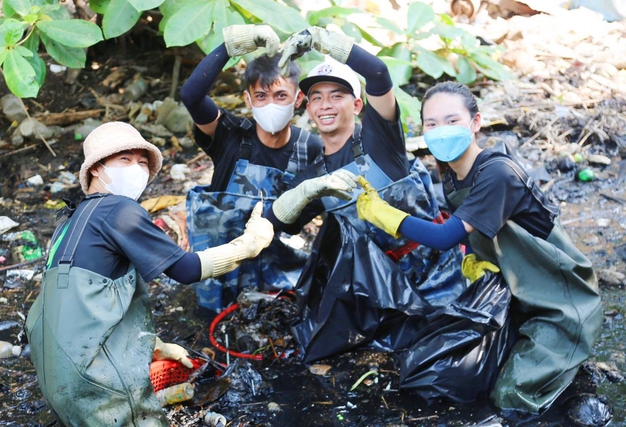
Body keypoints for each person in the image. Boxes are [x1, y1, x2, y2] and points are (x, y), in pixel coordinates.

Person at [356, 81, 603, 414]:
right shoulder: (454, 175)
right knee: (453, 377)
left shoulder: (497, 173)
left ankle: (571, 374)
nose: (441, 130)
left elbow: (444, 237)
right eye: (432, 124)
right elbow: (466, 233)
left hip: (562, 307)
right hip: (518, 302)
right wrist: (472, 259)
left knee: (511, 400)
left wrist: (383, 214)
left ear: (476, 123)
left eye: (452, 120)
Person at [24, 122, 274, 426]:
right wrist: (248, 245)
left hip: (57, 379)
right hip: (95, 382)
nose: (136, 168)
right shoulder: (117, 209)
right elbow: (185, 269)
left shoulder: (69, 223)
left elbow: (80, 308)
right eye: (124, 160)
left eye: (142, 162)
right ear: (96, 170)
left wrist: (154, 346)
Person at [264, 27, 465, 361]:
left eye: (336, 95)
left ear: (357, 105)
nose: (325, 105)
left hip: (436, 275)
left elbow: (378, 73)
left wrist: (327, 42)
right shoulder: (312, 175)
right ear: (309, 109)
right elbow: (278, 226)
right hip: (379, 293)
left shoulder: (380, 140)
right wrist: (299, 195)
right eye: (316, 97)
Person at [180, 25, 330, 312]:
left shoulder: (309, 148)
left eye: (281, 96)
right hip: (218, 270)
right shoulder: (231, 135)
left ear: (298, 99)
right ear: (248, 100)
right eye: (261, 96)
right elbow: (191, 96)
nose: (270, 103)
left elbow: (298, 220)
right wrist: (231, 46)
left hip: (271, 272)